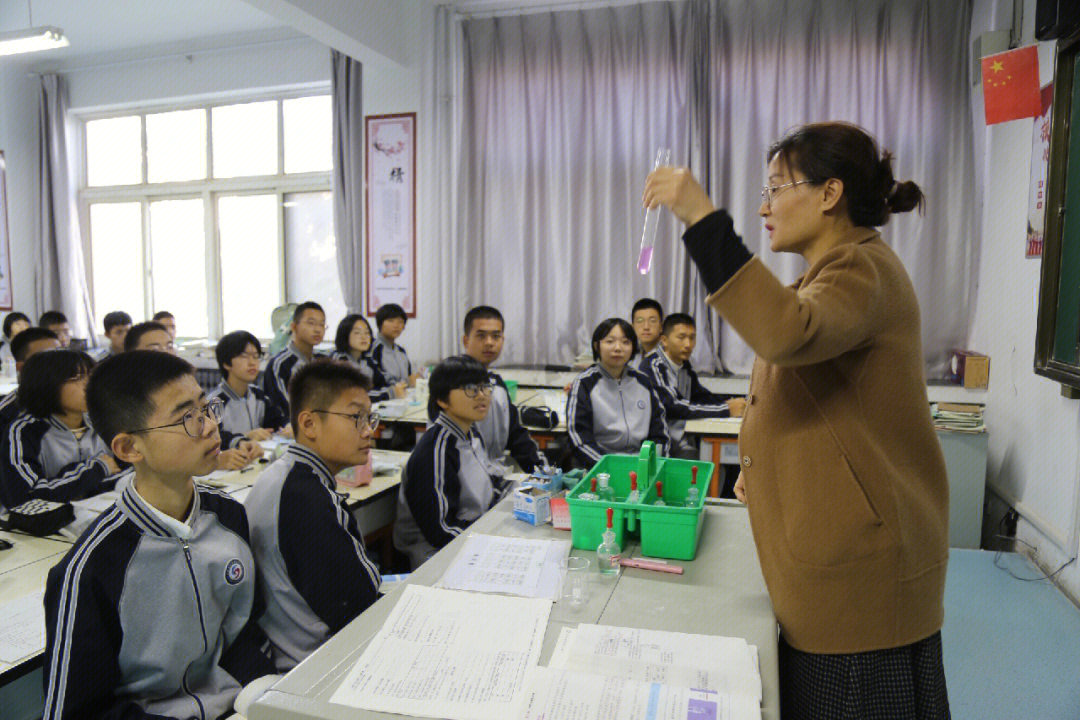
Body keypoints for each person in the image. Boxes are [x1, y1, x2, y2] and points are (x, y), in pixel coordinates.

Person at [642, 121, 950, 718]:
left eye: (778, 187)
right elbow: (814, 397)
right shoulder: (834, 275)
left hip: (860, 584)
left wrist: (703, 218)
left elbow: (787, 333)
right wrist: (764, 468)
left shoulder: (863, 270)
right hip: (831, 568)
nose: (764, 204)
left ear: (830, 193)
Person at [42, 351, 275, 719]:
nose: (210, 426)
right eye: (188, 418)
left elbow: (246, 628)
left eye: (206, 408)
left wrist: (262, 691)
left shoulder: (228, 516)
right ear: (130, 448)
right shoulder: (91, 569)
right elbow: (75, 712)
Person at [245, 360, 381, 671]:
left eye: (369, 418)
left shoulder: (290, 475)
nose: (368, 431)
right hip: (314, 665)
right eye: (356, 417)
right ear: (308, 424)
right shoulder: (306, 497)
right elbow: (358, 601)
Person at [393, 355, 512, 568]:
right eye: (470, 388)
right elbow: (440, 531)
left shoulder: (471, 434)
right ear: (442, 399)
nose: (482, 395)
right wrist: (490, 543)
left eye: (485, 387)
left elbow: (489, 484)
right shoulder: (435, 449)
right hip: (436, 554)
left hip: (474, 534)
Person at [0, 350, 122, 508]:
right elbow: (25, 497)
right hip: (46, 526)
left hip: (100, 510)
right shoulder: (23, 432)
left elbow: (129, 471)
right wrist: (98, 469)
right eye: (77, 378)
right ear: (46, 385)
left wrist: (75, 486)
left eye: (91, 375)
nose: (89, 384)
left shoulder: (103, 420)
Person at [566, 318, 669, 467]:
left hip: (642, 465)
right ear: (597, 346)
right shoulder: (584, 383)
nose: (618, 348)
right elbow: (578, 437)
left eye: (625, 342)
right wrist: (610, 466)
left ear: (633, 347)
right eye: (610, 341)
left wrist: (653, 464)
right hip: (601, 466)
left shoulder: (644, 382)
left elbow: (660, 433)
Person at [643, 313, 746, 458]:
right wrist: (726, 409)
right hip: (660, 443)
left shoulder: (684, 366)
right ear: (664, 340)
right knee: (707, 460)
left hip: (682, 438)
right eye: (681, 337)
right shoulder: (653, 365)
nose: (688, 344)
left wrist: (731, 402)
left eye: (692, 337)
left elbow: (701, 396)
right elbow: (673, 406)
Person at [460, 305, 545, 471]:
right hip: (466, 483)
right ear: (466, 340)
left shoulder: (496, 384)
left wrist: (542, 472)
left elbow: (517, 436)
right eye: (481, 336)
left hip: (496, 476)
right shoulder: (452, 383)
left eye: (496, 336)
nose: (489, 343)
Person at [210, 331, 291, 451]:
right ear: (226, 363)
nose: (252, 362)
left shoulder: (258, 395)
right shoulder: (215, 402)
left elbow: (276, 419)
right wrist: (245, 437)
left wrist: (288, 426)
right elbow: (211, 438)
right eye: (244, 356)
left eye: (256, 356)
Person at [262, 301, 326, 417]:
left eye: (322, 324)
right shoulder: (280, 364)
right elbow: (283, 407)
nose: (318, 329)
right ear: (294, 327)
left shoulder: (323, 362)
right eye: (311, 323)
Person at [331, 314, 405, 402]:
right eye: (357, 333)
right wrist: (390, 393)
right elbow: (354, 395)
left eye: (367, 333)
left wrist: (396, 387)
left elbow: (383, 381)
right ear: (345, 335)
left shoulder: (367, 359)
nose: (364, 337)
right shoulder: (339, 360)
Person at [371, 303, 420, 387]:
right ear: (380, 323)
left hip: (403, 397)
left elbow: (410, 376)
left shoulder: (401, 351)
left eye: (400, 322)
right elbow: (377, 380)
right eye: (391, 321)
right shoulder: (374, 349)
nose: (396, 326)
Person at [630, 298, 664, 374]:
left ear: (661, 327)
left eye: (652, 321)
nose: (646, 327)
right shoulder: (631, 356)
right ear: (632, 327)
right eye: (640, 321)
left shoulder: (672, 356)